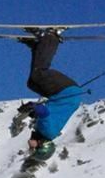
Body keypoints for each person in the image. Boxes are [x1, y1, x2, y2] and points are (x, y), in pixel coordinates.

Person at [15, 30, 85, 161]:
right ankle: (51, 38)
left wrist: (31, 112)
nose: (29, 146)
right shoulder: (46, 131)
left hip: (67, 94)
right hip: (65, 91)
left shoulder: (46, 132)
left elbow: (49, 113)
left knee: (32, 83)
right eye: (32, 148)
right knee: (39, 74)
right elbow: (44, 111)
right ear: (42, 145)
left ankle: (38, 46)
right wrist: (31, 107)